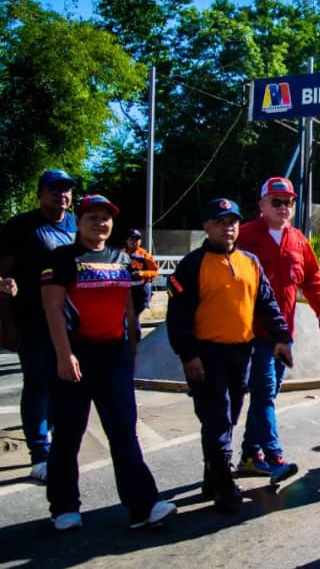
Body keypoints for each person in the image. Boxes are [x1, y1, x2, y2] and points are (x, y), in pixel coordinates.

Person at [40, 194, 176, 531]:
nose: (100, 223)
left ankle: (143, 506)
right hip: (75, 355)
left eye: (105, 217)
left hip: (114, 356)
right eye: (92, 217)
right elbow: (53, 309)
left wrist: (132, 352)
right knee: (69, 434)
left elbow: (129, 309)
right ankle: (64, 508)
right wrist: (63, 354)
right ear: (79, 221)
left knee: (123, 433)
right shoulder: (61, 258)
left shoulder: (121, 258)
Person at [166, 197, 293, 512]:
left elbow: (266, 303)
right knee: (217, 419)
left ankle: (213, 477)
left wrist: (281, 338)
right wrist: (188, 355)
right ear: (206, 227)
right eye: (220, 222)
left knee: (230, 416)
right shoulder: (192, 264)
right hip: (207, 355)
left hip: (241, 352)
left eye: (233, 221)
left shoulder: (250, 261)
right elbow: (177, 317)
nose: (228, 227)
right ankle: (225, 487)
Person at [236, 176, 320, 482]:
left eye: (288, 201)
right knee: (264, 393)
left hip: (283, 334)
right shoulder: (244, 236)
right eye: (276, 202)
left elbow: (312, 278)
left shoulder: (297, 239)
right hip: (253, 332)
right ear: (262, 205)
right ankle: (275, 457)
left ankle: (250, 456)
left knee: (269, 393)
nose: (283, 207)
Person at [0, 169, 78, 483]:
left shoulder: (76, 224)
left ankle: (59, 448)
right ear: (40, 193)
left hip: (71, 320)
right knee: (38, 384)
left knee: (65, 385)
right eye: (54, 189)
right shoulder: (21, 226)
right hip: (31, 319)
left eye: (67, 189)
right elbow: (3, 278)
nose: (62, 194)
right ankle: (39, 455)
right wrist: (6, 323)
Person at [124, 229, 158, 322]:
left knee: (134, 316)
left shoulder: (145, 255)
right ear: (126, 240)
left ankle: (134, 335)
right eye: (132, 239)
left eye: (137, 239)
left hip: (141, 289)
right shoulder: (120, 254)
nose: (135, 242)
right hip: (126, 290)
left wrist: (142, 274)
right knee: (126, 317)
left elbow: (155, 271)